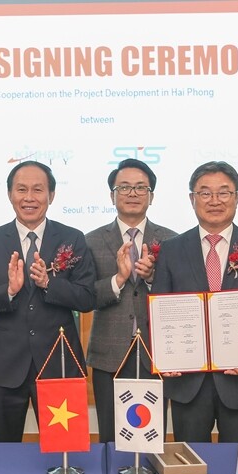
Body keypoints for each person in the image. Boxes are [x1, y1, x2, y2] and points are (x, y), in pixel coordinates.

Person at [151, 161, 238, 443]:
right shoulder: (172, 250)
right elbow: (159, 311)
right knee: (190, 460)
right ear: (192, 199)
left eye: (223, 192)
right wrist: (165, 356)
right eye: (205, 193)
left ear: (237, 197)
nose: (214, 201)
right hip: (188, 382)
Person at [0, 161, 96, 442]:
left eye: (38, 190)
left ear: (51, 195)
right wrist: (8, 291)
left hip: (58, 364)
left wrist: (50, 284)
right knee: (3, 452)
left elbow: (87, 298)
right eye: (21, 189)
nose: (29, 197)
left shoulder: (72, 238)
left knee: (65, 450)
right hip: (3, 367)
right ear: (10, 194)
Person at [84, 158, 177, 442]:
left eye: (140, 188)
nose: (132, 193)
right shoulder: (90, 240)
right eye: (124, 187)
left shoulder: (172, 241)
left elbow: (178, 298)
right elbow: (85, 296)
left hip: (155, 353)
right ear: (112, 195)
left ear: (152, 195)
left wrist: (151, 279)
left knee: (151, 435)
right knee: (111, 437)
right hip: (109, 354)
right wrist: (118, 279)